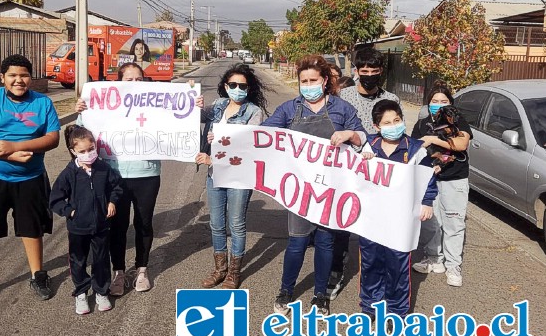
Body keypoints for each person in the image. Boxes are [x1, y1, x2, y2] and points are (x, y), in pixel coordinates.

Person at [75, 63, 204, 294]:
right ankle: (120, 272)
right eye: (129, 79)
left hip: (147, 176)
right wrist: (82, 111)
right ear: (119, 82)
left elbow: (179, 118)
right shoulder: (106, 105)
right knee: (118, 225)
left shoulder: (154, 104)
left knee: (144, 223)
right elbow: (82, 134)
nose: (135, 83)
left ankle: (142, 269)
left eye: (139, 79)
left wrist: (194, 106)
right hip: (116, 177)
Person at [263, 54, 366, 315]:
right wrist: (224, 135)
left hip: (332, 190)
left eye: (313, 80)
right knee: (296, 242)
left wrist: (350, 134)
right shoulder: (289, 109)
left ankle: (321, 295)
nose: (308, 84)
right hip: (300, 190)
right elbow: (263, 134)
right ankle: (286, 290)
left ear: (324, 81)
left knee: (325, 243)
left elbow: (363, 139)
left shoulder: (342, 109)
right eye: (303, 80)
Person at [0, 54, 60, 311]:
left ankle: (38, 275)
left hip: (31, 178)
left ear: (31, 77)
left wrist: (17, 146)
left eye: (24, 75)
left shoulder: (43, 103)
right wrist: (7, 154)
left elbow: (52, 139)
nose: (19, 80)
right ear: (2, 77)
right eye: (13, 75)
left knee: (32, 228)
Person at [330, 47, 400, 300]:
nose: (369, 75)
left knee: (375, 229)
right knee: (341, 226)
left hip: (378, 174)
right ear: (357, 72)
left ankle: (375, 283)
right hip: (347, 171)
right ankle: (335, 273)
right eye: (364, 71)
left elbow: (396, 134)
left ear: (381, 71)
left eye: (374, 71)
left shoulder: (392, 98)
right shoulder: (343, 96)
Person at [358, 99, 437, 319]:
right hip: (371, 219)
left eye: (397, 120)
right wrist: (362, 161)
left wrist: (427, 202)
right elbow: (353, 178)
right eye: (387, 122)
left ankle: (396, 311)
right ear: (376, 126)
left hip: (401, 219)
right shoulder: (369, 147)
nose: (393, 125)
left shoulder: (416, 150)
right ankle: (370, 306)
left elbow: (428, 179)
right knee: (371, 261)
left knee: (397, 264)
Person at [195, 64, 268, 289]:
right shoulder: (218, 105)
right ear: (225, 86)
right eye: (233, 85)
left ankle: (234, 273)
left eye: (242, 86)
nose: (237, 89)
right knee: (216, 224)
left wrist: (214, 158)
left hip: (239, 175)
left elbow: (247, 146)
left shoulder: (254, 112)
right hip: (214, 174)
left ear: (248, 88)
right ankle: (220, 269)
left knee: (236, 224)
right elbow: (192, 117)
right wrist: (194, 106)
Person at [49, 125, 123, 314]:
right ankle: (81, 292)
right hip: (78, 227)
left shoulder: (103, 168)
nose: (88, 154)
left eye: (91, 149)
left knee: (101, 259)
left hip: (101, 224)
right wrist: (69, 211)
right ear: (73, 152)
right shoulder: (69, 173)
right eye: (82, 151)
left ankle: (101, 291)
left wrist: (112, 201)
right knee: (78, 260)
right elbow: (55, 198)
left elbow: (116, 186)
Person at [411, 80, 472, 287]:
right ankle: (434, 257)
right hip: (430, 178)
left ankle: (453, 264)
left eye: (443, 100)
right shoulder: (422, 124)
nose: (438, 104)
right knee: (430, 221)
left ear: (451, 102)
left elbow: (462, 144)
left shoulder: (458, 121)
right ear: (428, 104)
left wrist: (434, 140)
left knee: (454, 223)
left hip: (455, 179)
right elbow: (415, 149)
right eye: (434, 101)